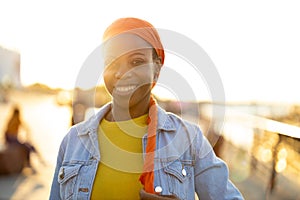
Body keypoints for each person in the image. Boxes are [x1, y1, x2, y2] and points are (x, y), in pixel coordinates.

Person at [50, 17, 244, 199]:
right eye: (111, 62)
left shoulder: (188, 139)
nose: (122, 73)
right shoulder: (73, 141)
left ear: (157, 70)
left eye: (136, 62)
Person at [4, 105, 39, 171]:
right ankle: (29, 163)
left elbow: (27, 128)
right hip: (13, 141)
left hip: (13, 140)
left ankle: (35, 159)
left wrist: (27, 136)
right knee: (27, 147)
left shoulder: (14, 120)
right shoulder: (14, 120)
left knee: (28, 146)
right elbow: (8, 133)